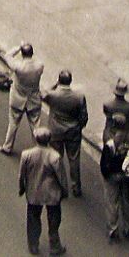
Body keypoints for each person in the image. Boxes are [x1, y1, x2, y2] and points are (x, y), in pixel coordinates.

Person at [18, 127, 68, 256]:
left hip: (34, 192)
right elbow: (61, 177)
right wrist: (64, 191)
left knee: (33, 219)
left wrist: (22, 188)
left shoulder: (26, 155)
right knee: (54, 220)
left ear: (36, 139)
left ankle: (33, 245)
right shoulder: (55, 156)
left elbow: (22, 174)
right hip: (52, 194)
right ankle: (55, 246)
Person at [42, 69, 88, 197]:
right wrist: (79, 127)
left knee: (57, 158)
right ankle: (76, 187)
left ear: (59, 80)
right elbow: (84, 116)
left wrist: (54, 85)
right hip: (73, 130)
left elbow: (43, 94)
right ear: (70, 81)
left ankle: (60, 184)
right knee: (74, 159)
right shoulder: (79, 97)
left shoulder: (53, 95)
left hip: (56, 130)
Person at [1, 42, 44, 154]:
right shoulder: (39, 66)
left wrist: (18, 47)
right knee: (35, 126)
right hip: (33, 100)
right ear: (32, 53)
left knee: (13, 123)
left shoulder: (18, 66)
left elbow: (7, 56)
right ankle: (39, 149)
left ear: (22, 54)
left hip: (18, 99)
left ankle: (7, 146)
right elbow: (37, 61)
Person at [99, 112, 129, 242]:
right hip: (126, 175)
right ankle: (128, 228)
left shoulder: (110, 142)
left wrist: (107, 175)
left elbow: (104, 164)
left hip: (113, 176)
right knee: (127, 201)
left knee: (112, 203)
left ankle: (113, 229)